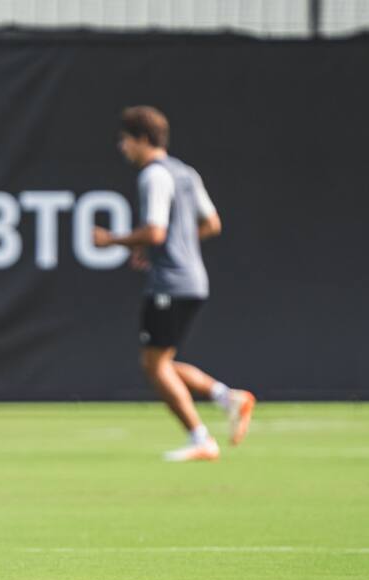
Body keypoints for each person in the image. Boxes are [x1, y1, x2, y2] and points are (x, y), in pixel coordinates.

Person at [95, 106, 255, 462]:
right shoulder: (185, 172)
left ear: (142, 139)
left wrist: (114, 241)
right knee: (160, 361)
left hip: (171, 281)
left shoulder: (153, 175)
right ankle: (227, 397)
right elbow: (212, 223)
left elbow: (155, 231)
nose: (122, 148)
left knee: (154, 366)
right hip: (194, 279)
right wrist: (174, 245)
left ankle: (201, 437)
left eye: (125, 140)